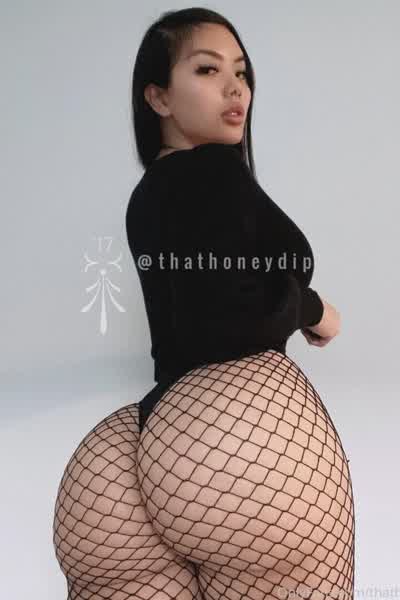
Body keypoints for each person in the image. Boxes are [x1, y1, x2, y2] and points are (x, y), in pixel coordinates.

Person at [52, 8, 355, 600]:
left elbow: (201, 302)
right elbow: (232, 312)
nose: (235, 88)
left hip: (118, 463)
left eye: (241, 73)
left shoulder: (148, 194)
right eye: (208, 70)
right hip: (240, 444)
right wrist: (312, 308)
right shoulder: (215, 171)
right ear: (159, 98)